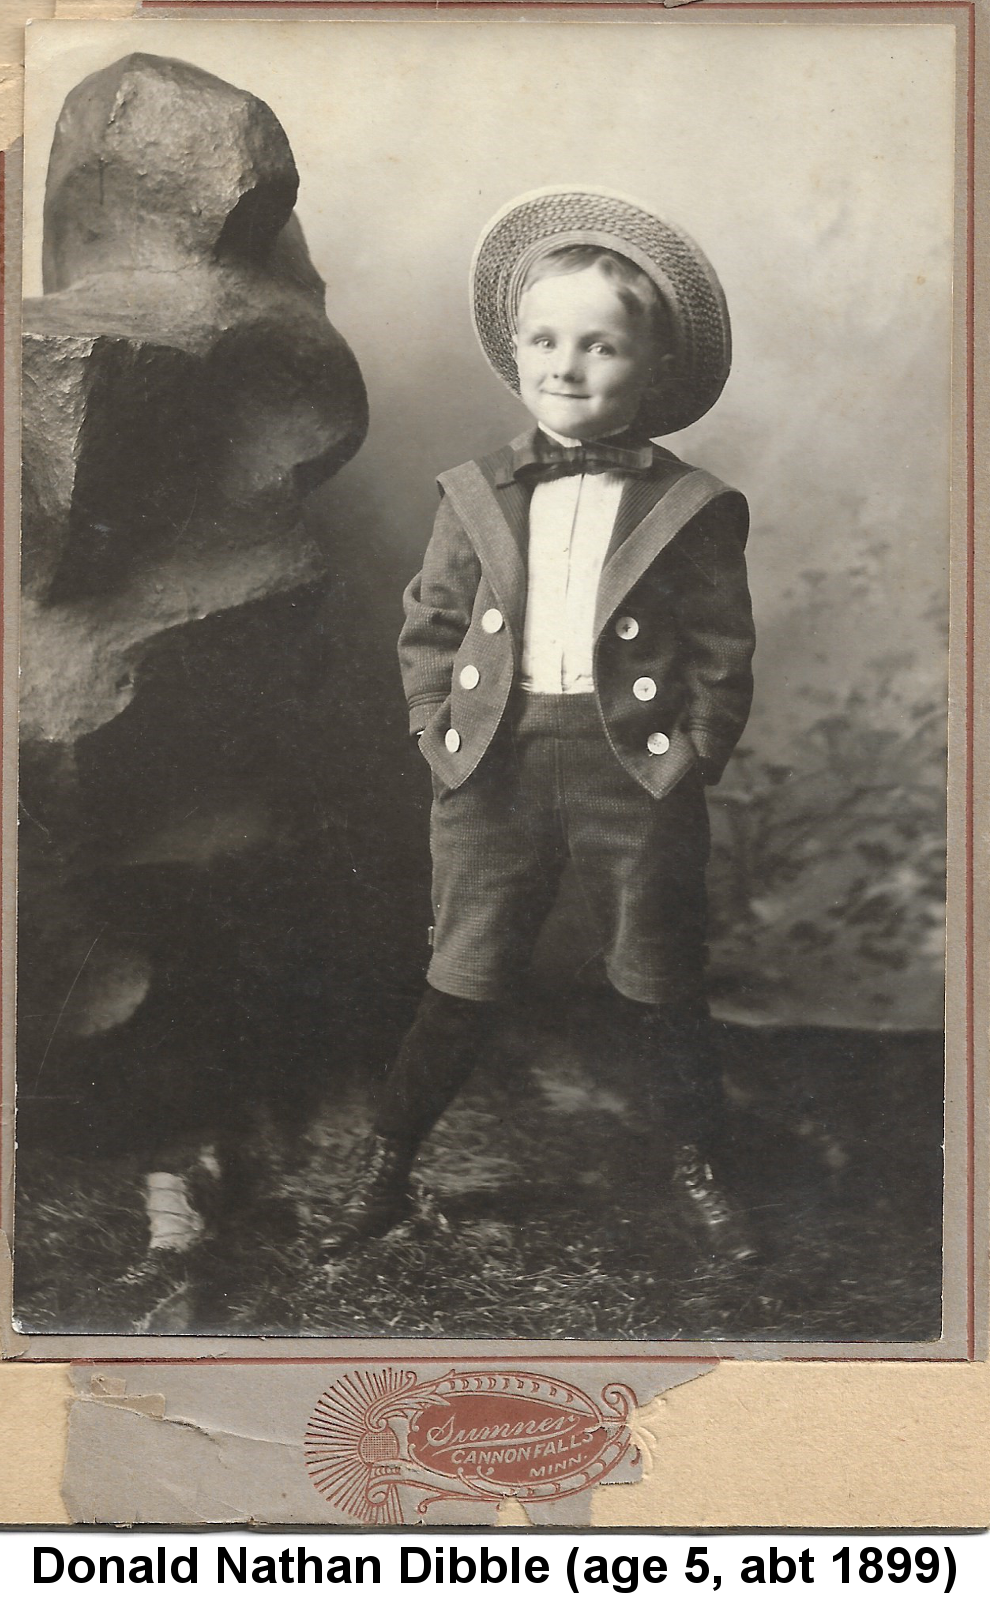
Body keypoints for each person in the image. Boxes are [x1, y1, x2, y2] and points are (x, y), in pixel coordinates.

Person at [321, 186, 757, 1262]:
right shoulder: (473, 494)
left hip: (634, 773)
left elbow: (721, 649)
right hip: (497, 770)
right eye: (545, 340)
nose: (566, 366)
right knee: (460, 978)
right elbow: (429, 624)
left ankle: (702, 1167)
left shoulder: (693, 509)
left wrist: (691, 755)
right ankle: (385, 1168)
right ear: (515, 351)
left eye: (601, 346)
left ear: (653, 370)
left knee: (662, 982)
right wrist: (439, 732)